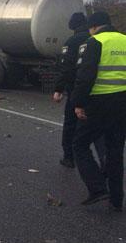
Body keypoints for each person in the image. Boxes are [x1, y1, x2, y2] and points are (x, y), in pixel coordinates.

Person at [71, 11, 126, 210]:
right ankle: (117, 199)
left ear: (94, 27)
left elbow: (85, 77)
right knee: (115, 150)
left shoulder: (94, 42)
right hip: (122, 102)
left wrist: (78, 103)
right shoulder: (124, 40)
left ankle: (97, 188)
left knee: (79, 144)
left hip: (99, 103)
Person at [52, 13, 106, 168]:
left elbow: (66, 68)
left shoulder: (73, 41)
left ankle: (69, 157)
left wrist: (58, 89)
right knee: (98, 129)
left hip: (77, 91)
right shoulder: (100, 40)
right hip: (101, 92)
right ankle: (105, 159)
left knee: (70, 125)